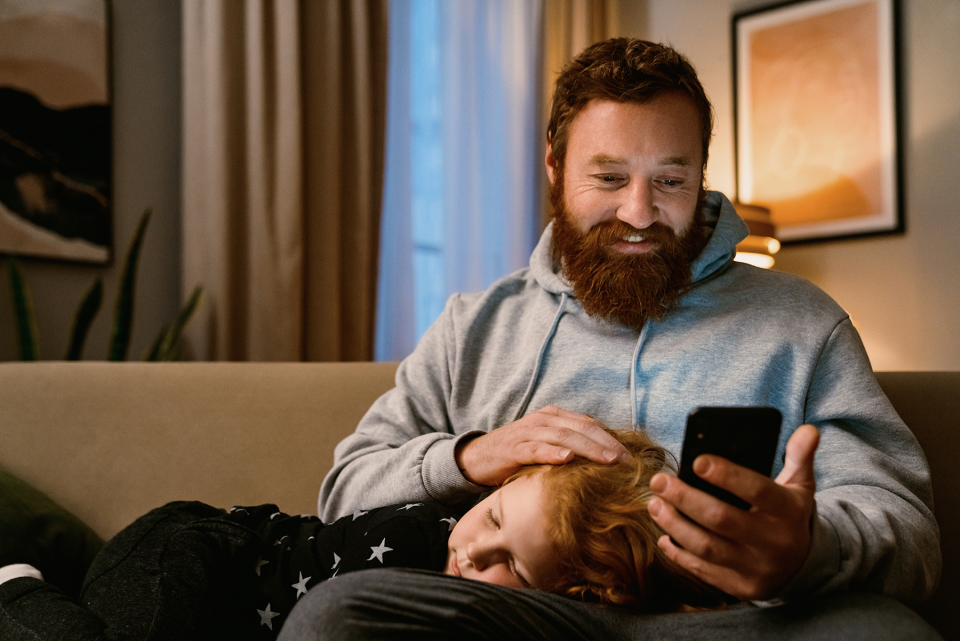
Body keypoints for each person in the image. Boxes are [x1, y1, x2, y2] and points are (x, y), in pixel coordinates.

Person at [291, 37, 942, 639]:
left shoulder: (801, 324)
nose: (639, 212)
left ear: (701, 174)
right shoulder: (476, 325)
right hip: (523, 616)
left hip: (727, 622)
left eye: (670, 180)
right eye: (608, 178)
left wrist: (805, 550)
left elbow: (911, 536)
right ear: (554, 165)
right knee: (338, 614)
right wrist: (471, 456)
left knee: (887, 631)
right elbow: (344, 490)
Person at [0, 430, 723, 640]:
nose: (474, 551)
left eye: (512, 566)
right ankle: (21, 590)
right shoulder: (424, 541)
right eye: (494, 519)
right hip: (194, 552)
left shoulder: (477, 615)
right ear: (497, 489)